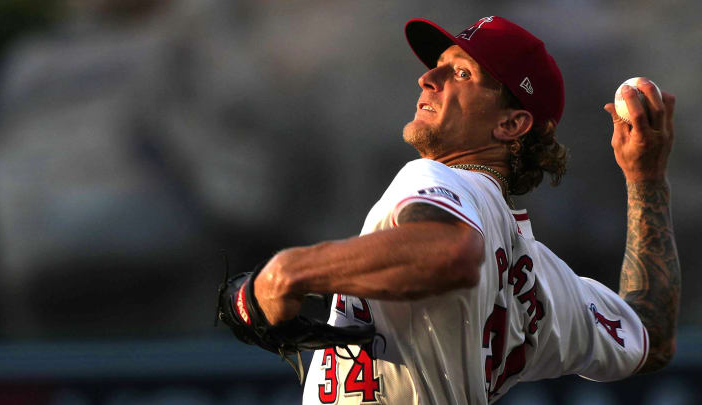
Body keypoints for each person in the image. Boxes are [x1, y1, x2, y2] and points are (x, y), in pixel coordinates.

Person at [252, 16, 680, 404]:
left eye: (460, 73)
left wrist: (288, 271)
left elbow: (450, 251)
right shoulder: (545, 281)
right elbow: (652, 334)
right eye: (438, 64)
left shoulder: (439, 179)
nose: (427, 78)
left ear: (511, 124)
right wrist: (646, 179)